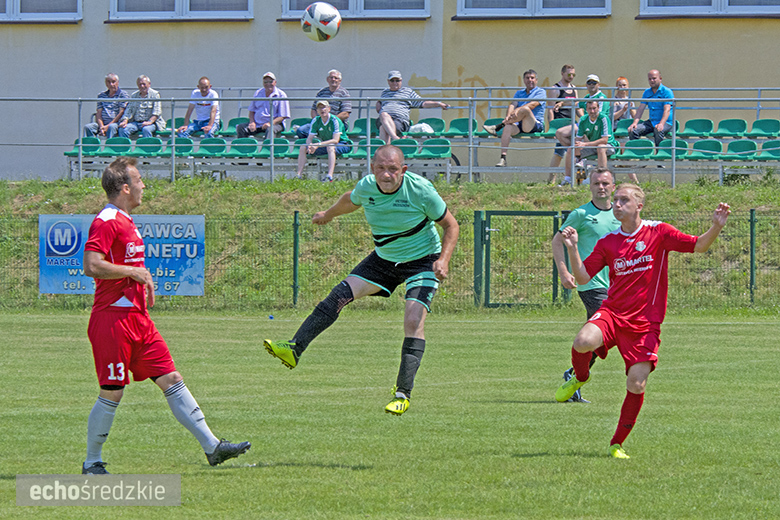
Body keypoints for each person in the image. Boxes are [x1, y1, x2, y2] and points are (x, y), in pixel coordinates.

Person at [81, 157, 250, 474]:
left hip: (139, 320)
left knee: (171, 378)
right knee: (112, 391)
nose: (144, 185)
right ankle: (92, 462)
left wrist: (141, 277)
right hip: (113, 320)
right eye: (139, 180)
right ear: (125, 187)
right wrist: (132, 272)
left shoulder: (126, 220)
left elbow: (125, 267)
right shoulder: (107, 220)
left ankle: (213, 447)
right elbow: (91, 264)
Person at [263, 144, 459, 416]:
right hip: (384, 259)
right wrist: (327, 215)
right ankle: (294, 349)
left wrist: (444, 260)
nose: (386, 174)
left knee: (413, 320)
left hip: (423, 260)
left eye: (393, 169)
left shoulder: (421, 190)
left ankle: (402, 394)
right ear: (372, 168)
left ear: (403, 170)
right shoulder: (367, 187)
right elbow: (350, 200)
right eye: (381, 168)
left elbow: (451, 225)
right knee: (340, 294)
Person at [555, 184, 730, 459]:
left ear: (639, 205)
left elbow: (698, 245)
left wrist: (716, 227)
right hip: (613, 313)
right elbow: (584, 277)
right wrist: (573, 248)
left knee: (636, 384)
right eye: (615, 200)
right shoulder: (608, 242)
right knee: (583, 341)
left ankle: (616, 444)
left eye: (623, 200)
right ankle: (580, 377)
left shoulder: (658, 232)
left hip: (645, 324)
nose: (617, 204)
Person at [552, 168, 620, 403]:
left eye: (605, 183)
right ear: (590, 186)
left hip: (617, 286)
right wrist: (564, 272)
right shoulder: (581, 214)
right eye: (596, 183)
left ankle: (575, 374)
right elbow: (557, 241)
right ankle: (576, 375)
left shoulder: (621, 214)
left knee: (602, 335)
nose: (601, 187)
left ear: (613, 187)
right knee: (603, 330)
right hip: (591, 284)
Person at [482, 69, 546, 167]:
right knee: (508, 128)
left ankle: (499, 126)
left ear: (536, 80)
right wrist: (508, 115)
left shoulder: (541, 92)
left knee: (526, 109)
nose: (530, 80)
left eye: (532, 78)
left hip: (534, 124)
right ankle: (503, 158)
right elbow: (512, 104)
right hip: (519, 124)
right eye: (527, 78)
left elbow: (533, 105)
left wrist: (518, 110)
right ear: (524, 80)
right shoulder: (519, 93)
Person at [559, 100, 627, 186]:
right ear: (586, 109)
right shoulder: (583, 120)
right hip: (593, 146)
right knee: (571, 150)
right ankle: (568, 179)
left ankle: (602, 178)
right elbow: (578, 138)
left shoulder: (603, 118)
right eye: (590, 108)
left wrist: (585, 144)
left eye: (594, 108)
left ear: (598, 108)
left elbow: (604, 140)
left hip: (609, 146)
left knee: (601, 147)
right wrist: (578, 145)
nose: (592, 111)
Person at [375, 70, 450, 143]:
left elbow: (423, 103)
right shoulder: (385, 92)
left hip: (399, 121)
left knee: (383, 127)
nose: (395, 83)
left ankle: (388, 146)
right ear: (388, 81)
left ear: (401, 81)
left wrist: (439, 104)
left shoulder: (407, 92)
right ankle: (395, 140)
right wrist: (378, 102)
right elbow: (379, 106)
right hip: (383, 119)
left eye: (397, 80)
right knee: (384, 118)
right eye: (392, 81)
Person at [296, 100, 352, 182]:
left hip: (344, 144)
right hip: (326, 145)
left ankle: (329, 176)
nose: (322, 110)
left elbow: (335, 140)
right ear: (317, 111)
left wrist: (318, 145)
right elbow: (309, 138)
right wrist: (310, 145)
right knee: (303, 147)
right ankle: (298, 175)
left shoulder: (335, 120)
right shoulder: (316, 120)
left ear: (329, 109)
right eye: (320, 108)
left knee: (331, 147)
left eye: (324, 107)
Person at [296, 69, 352, 139]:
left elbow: (346, 113)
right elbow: (313, 109)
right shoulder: (321, 92)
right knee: (301, 131)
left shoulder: (344, 93)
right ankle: (312, 144)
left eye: (336, 78)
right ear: (327, 79)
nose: (333, 79)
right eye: (331, 77)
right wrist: (318, 121)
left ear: (340, 81)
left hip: (336, 123)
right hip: (320, 123)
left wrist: (330, 121)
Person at [547, 65, 580, 179]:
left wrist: (584, 119)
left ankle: (551, 180)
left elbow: (577, 106)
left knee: (559, 153)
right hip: (560, 125)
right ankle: (578, 178)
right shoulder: (555, 89)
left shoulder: (574, 88)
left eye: (573, 75)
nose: (571, 77)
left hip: (571, 124)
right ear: (562, 73)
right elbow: (550, 110)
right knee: (575, 153)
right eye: (569, 74)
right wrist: (552, 128)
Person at [236, 72, 290, 139]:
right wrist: (252, 122)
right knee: (241, 127)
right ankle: (242, 145)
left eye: (270, 82)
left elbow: (283, 116)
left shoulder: (281, 95)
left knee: (270, 129)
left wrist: (270, 123)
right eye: (265, 82)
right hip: (258, 124)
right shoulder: (258, 93)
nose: (268, 84)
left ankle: (267, 146)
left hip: (275, 124)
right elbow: (252, 111)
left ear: (275, 82)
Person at [627, 69, 674, 146]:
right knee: (633, 130)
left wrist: (661, 124)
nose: (652, 81)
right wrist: (634, 123)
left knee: (658, 130)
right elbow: (640, 109)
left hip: (666, 122)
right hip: (652, 122)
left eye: (654, 78)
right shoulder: (647, 92)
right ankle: (638, 151)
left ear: (660, 79)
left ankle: (659, 152)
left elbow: (667, 110)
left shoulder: (667, 92)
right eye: (650, 79)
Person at [84, 73, 129, 139]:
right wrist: (101, 127)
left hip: (116, 123)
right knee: (88, 127)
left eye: (113, 82)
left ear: (118, 82)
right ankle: (92, 145)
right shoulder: (101, 95)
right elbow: (98, 113)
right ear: (106, 83)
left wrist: (107, 126)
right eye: (109, 82)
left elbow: (121, 112)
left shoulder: (123, 94)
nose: (111, 84)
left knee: (111, 127)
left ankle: (110, 145)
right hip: (102, 124)